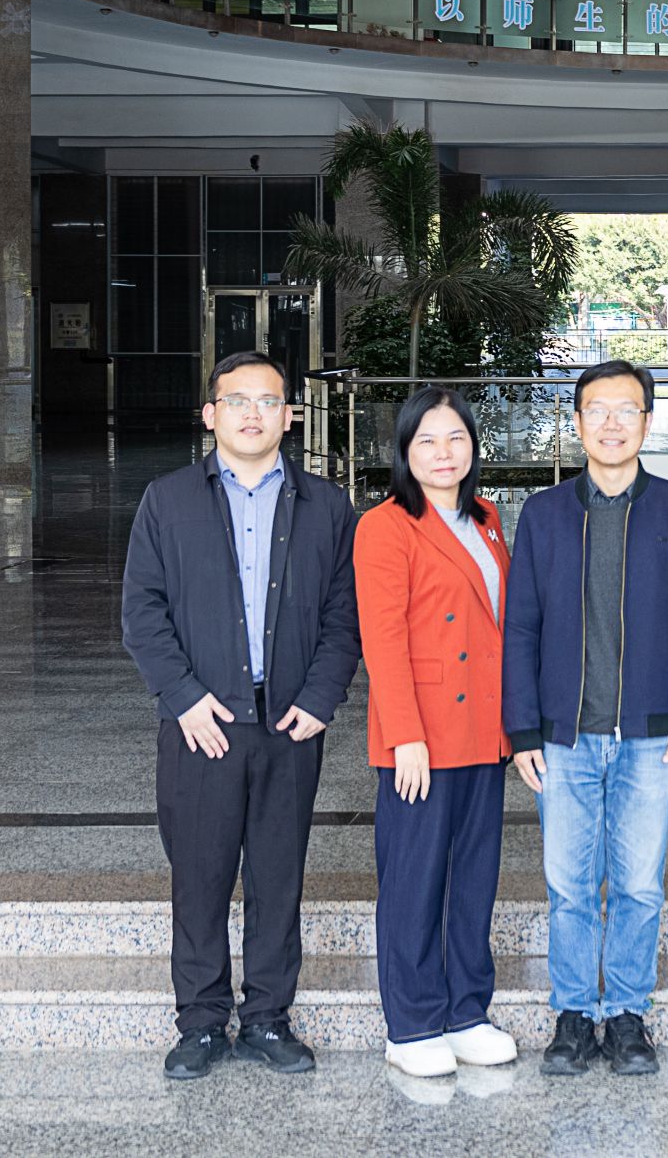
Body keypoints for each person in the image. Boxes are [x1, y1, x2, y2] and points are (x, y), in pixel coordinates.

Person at [121, 351, 360, 1081]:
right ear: (211, 414)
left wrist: (320, 697)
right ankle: (200, 1021)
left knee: (278, 877)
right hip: (202, 725)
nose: (252, 413)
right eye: (236, 400)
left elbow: (345, 614)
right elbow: (142, 611)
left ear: (290, 416)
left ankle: (267, 1018)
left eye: (268, 401)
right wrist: (183, 696)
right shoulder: (167, 500)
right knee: (199, 876)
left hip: (290, 725)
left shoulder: (328, 507)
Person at [502, 359, 668, 1078]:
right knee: (569, 886)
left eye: (626, 410)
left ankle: (627, 1013)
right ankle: (573, 1015)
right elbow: (521, 627)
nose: (611, 423)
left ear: (647, 423)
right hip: (564, 738)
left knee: (638, 885)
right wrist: (523, 728)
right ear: (577, 421)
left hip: (651, 736)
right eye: (596, 409)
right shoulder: (543, 515)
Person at [355, 387, 520, 1079]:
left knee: (474, 879)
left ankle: (466, 1012)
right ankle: (413, 1022)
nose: (443, 452)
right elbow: (383, 640)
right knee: (415, 880)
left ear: (473, 447)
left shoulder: (487, 518)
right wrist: (406, 736)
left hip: (484, 727)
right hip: (421, 735)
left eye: (455, 438)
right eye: (426, 440)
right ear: (405, 451)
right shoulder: (386, 526)